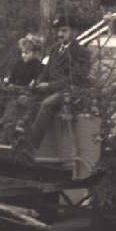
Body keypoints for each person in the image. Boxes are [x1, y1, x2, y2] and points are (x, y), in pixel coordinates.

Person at [29, 13, 91, 149]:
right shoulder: (54, 49)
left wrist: (50, 85)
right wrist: (38, 81)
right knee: (27, 99)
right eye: (58, 31)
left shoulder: (82, 53)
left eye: (64, 30)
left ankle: (31, 146)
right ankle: (16, 138)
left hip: (69, 91)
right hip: (51, 89)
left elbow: (76, 78)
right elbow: (46, 71)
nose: (60, 34)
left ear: (74, 32)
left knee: (47, 104)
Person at [0, 33, 44, 141]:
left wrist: (32, 84)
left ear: (35, 53)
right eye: (22, 52)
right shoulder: (18, 64)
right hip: (12, 91)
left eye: (27, 53)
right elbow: (12, 79)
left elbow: (35, 83)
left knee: (13, 104)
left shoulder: (38, 66)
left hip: (25, 93)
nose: (23, 55)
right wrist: (6, 82)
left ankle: (4, 135)